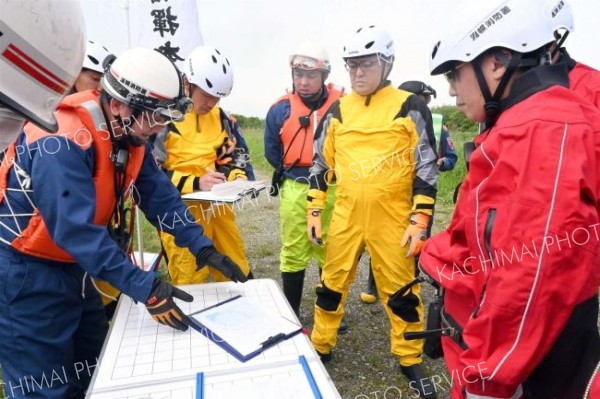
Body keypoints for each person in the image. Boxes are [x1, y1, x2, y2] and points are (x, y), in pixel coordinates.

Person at [0, 46, 247, 398]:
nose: (160, 128)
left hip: (77, 269)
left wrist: (202, 247)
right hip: (27, 276)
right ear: (119, 104)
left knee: (95, 370)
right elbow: (76, 230)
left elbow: (159, 196)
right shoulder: (63, 141)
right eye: (157, 118)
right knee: (44, 389)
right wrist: (146, 288)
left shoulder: (130, 133)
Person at [418, 0, 600, 397]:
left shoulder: (540, 129)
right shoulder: (519, 120)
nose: (450, 89)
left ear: (497, 62)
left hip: (528, 366)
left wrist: (485, 377)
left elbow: (531, 278)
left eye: (454, 72)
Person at [308, 25, 438, 398]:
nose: (358, 72)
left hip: (394, 219)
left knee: (401, 292)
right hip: (348, 215)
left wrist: (421, 218)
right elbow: (320, 164)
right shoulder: (338, 110)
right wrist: (315, 210)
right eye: (352, 65)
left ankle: (409, 356)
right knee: (331, 286)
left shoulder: (408, 105)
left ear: (386, 63)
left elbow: (426, 166)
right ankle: (321, 344)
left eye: (366, 64)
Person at [157, 45, 254, 285]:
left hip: (219, 209)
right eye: (207, 95)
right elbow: (150, 175)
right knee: (190, 277)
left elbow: (235, 157)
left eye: (217, 97)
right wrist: (196, 182)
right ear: (188, 83)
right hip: (180, 211)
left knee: (235, 267)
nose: (212, 102)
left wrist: (237, 177)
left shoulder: (222, 118)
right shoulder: (162, 118)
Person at [264, 41, 343, 319]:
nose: (304, 81)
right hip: (295, 188)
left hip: (333, 188)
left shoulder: (343, 106)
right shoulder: (280, 110)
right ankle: (292, 313)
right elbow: (272, 152)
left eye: (310, 75)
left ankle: (328, 312)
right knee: (294, 250)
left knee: (330, 252)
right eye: (298, 75)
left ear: (324, 76)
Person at [360, 80, 458, 304]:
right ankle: (373, 284)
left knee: (417, 238)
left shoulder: (437, 125)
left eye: (422, 100)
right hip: (390, 191)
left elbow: (452, 158)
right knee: (379, 236)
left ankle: (408, 285)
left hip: (422, 192)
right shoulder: (386, 121)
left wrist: (442, 162)